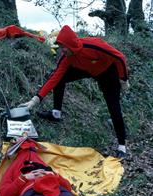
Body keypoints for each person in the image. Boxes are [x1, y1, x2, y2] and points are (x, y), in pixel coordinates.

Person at [20, 25, 129, 158]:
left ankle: (122, 146)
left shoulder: (93, 45)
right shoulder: (66, 57)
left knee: (113, 106)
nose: (62, 50)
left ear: (71, 44)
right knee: (59, 78)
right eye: (60, 47)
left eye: (63, 46)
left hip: (107, 71)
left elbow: (120, 57)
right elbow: (54, 78)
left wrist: (123, 79)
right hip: (86, 69)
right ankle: (56, 113)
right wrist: (34, 100)